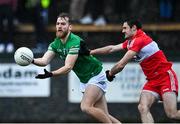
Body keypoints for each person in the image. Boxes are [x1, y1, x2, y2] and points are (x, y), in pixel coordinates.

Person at [32, 13, 120, 123]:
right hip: (85, 79)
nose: (59, 26)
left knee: (85, 107)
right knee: (104, 114)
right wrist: (31, 60)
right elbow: (44, 61)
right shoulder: (55, 44)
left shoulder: (74, 41)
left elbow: (68, 67)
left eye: (63, 24)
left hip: (95, 75)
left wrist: (51, 74)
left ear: (70, 27)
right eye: (58, 23)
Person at [90, 18, 179, 123]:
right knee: (143, 107)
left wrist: (110, 73)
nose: (122, 31)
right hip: (152, 81)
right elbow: (111, 48)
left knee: (172, 114)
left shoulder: (139, 40)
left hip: (165, 77)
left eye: (125, 28)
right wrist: (91, 52)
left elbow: (121, 64)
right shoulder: (131, 41)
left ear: (133, 28)